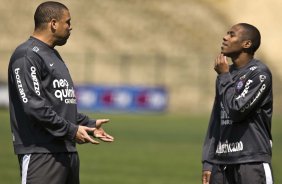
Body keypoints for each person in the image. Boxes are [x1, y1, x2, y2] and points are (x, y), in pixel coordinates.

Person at [8, 1, 114, 184]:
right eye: (68, 22)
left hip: (67, 152)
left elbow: (58, 104)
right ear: (53, 23)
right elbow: (34, 107)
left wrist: (87, 123)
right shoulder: (26, 56)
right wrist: (72, 130)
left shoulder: (53, 55)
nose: (71, 27)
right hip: (41, 155)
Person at [201, 23, 274, 184]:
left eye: (231, 34)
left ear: (246, 44)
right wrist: (208, 162)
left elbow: (237, 110)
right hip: (221, 163)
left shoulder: (259, 73)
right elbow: (216, 120)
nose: (225, 37)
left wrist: (224, 76)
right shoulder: (226, 74)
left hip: (251, 161)